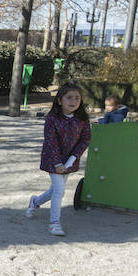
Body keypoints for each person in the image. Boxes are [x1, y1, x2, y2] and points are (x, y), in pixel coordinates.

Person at [25, 81, 91, 236]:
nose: (73, 101)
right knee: (60, 190)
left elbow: (85, 139)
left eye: (77, 98)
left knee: (54, 190)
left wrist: (71, 160)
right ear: (60, 100)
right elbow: (51, 142)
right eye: (69, 97)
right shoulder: (52, 119)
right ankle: (54, 223)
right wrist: (57, 163)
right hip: (52, 160)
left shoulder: (82, 119)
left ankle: (35, 202)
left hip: (69, 161)